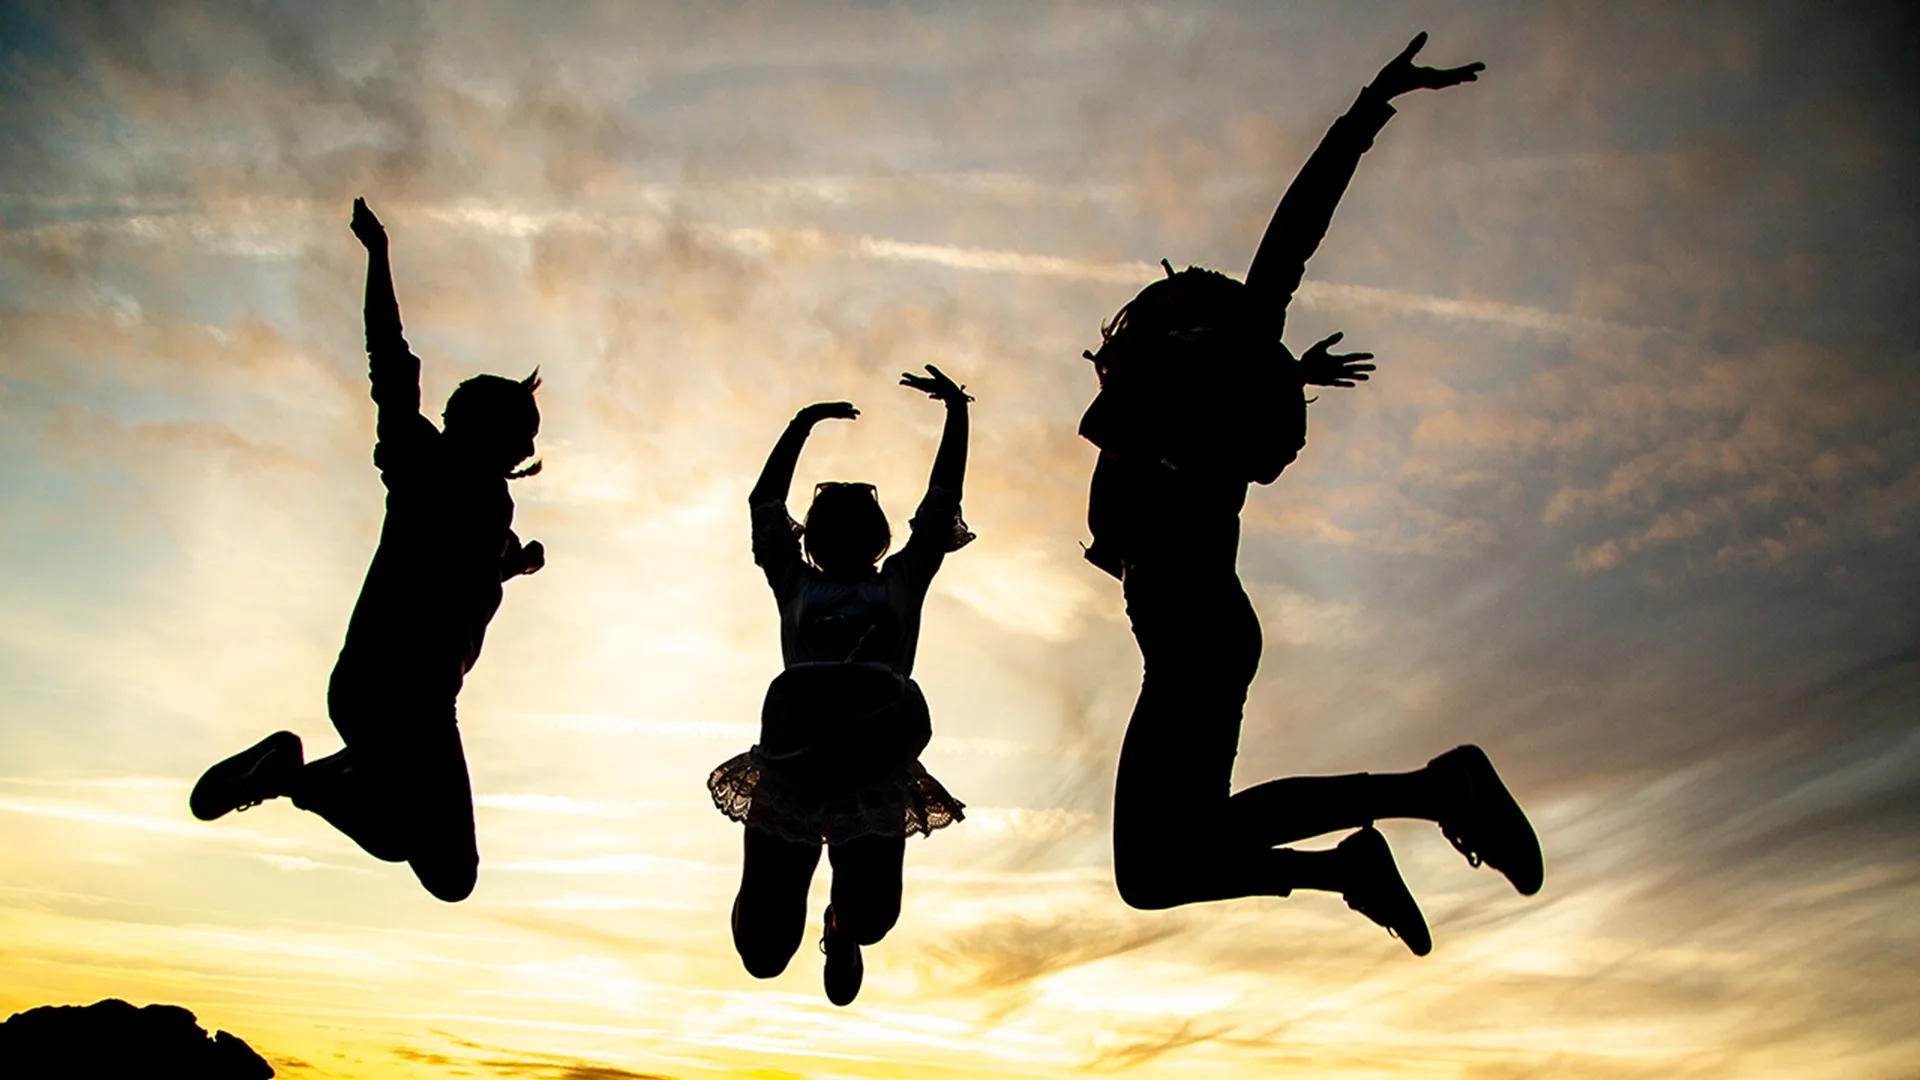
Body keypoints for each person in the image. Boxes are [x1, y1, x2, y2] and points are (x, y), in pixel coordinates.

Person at [1081, 34, 1541, 955]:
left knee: (1157, 865)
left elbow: (1292, 234)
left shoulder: (1203, 367)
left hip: (1197, 631)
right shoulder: (1176, 397)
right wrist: (1284, 371)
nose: (1156, 305)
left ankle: (1430, 794)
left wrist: (1369, 108)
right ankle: (1362, 857)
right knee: (1156, 870)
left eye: (1172, 303)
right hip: (1194, 634)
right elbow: (1193, 435)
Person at [189, 198, 546, 903]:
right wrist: (378, 257)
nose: (531, 447)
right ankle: (296, 776)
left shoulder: (486, 507)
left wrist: (516, 563)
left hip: (386, 694)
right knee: (450, 873)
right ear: (486, 428)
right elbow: (389, 356)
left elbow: (463, 571)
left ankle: (295, 773)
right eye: (524, 433)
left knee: (399, 838)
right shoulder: (422, 461)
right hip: (403, 697)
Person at [710, 366, 974, 1005]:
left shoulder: (902, 582)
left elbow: (941, 502)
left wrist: (957, 412)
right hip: (794, 768)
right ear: (814, 536)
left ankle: (840, 925)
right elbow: (764, 506)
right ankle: (776, 905)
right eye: (832, 521)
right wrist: (801, 425)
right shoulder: (795, 583)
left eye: (860, 522)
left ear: (879, 537)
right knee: (763, 956)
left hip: (872, 769)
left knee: (871, 921)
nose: (847, 531)